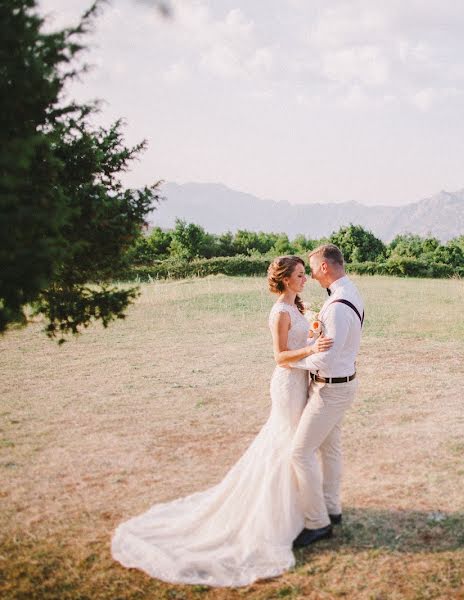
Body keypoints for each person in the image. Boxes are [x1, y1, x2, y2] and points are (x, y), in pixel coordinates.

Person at [110, 256, 333, 587]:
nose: (305, 279)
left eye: (305, 274)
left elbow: (300, 344)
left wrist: (313, 331)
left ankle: (300, 509)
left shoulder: (297, 307)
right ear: (285, 280)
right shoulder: (280, 313)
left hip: (301, 382)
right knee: (286, 443)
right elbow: (279, 356)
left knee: (293, 445)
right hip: (287, 384)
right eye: (300, 275)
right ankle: (276, 516)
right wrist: (312, 346)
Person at [289, 244, 365, 548]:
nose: (310, 274)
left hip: (331, 388)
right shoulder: (350, 291)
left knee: (300, 452)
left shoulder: (336, 305)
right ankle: (332, 510)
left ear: (325, 268)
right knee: (330, 448)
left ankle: (317, 523)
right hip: (344, 383)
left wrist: (291, 361)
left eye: (312, 267)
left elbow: (325, 359)